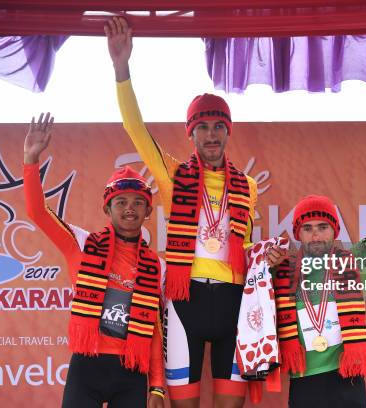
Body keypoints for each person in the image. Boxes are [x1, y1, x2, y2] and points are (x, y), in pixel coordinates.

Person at [105, 17, 286, 408]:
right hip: (185, 302)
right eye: (202, 127)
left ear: (228, 132)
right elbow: (136, 130)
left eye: (218, 126)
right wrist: (122, 69)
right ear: (190, 133)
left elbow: (245, 244)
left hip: (235, 304)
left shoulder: (247, 186)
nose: (211, 134)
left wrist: (263, 256)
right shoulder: (172, 175)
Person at [274, 105, 366, 408]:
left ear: (335, 230)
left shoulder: (357, 258)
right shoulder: (281, 269)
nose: (316, 234)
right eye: (308, 228)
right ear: (298, 234)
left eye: (323, 226)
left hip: (347, 381)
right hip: (303, 385)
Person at [23, 112, 166, 408]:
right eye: (121, 202)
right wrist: (30, 160)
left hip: (131, 370)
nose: (130, 209)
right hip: (87, 367)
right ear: (107, 208)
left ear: (148, 211)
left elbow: (153, 329)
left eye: (138, 203)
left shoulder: (156, 266)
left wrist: (157, 387)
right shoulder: (82, 243)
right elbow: (38, 212)